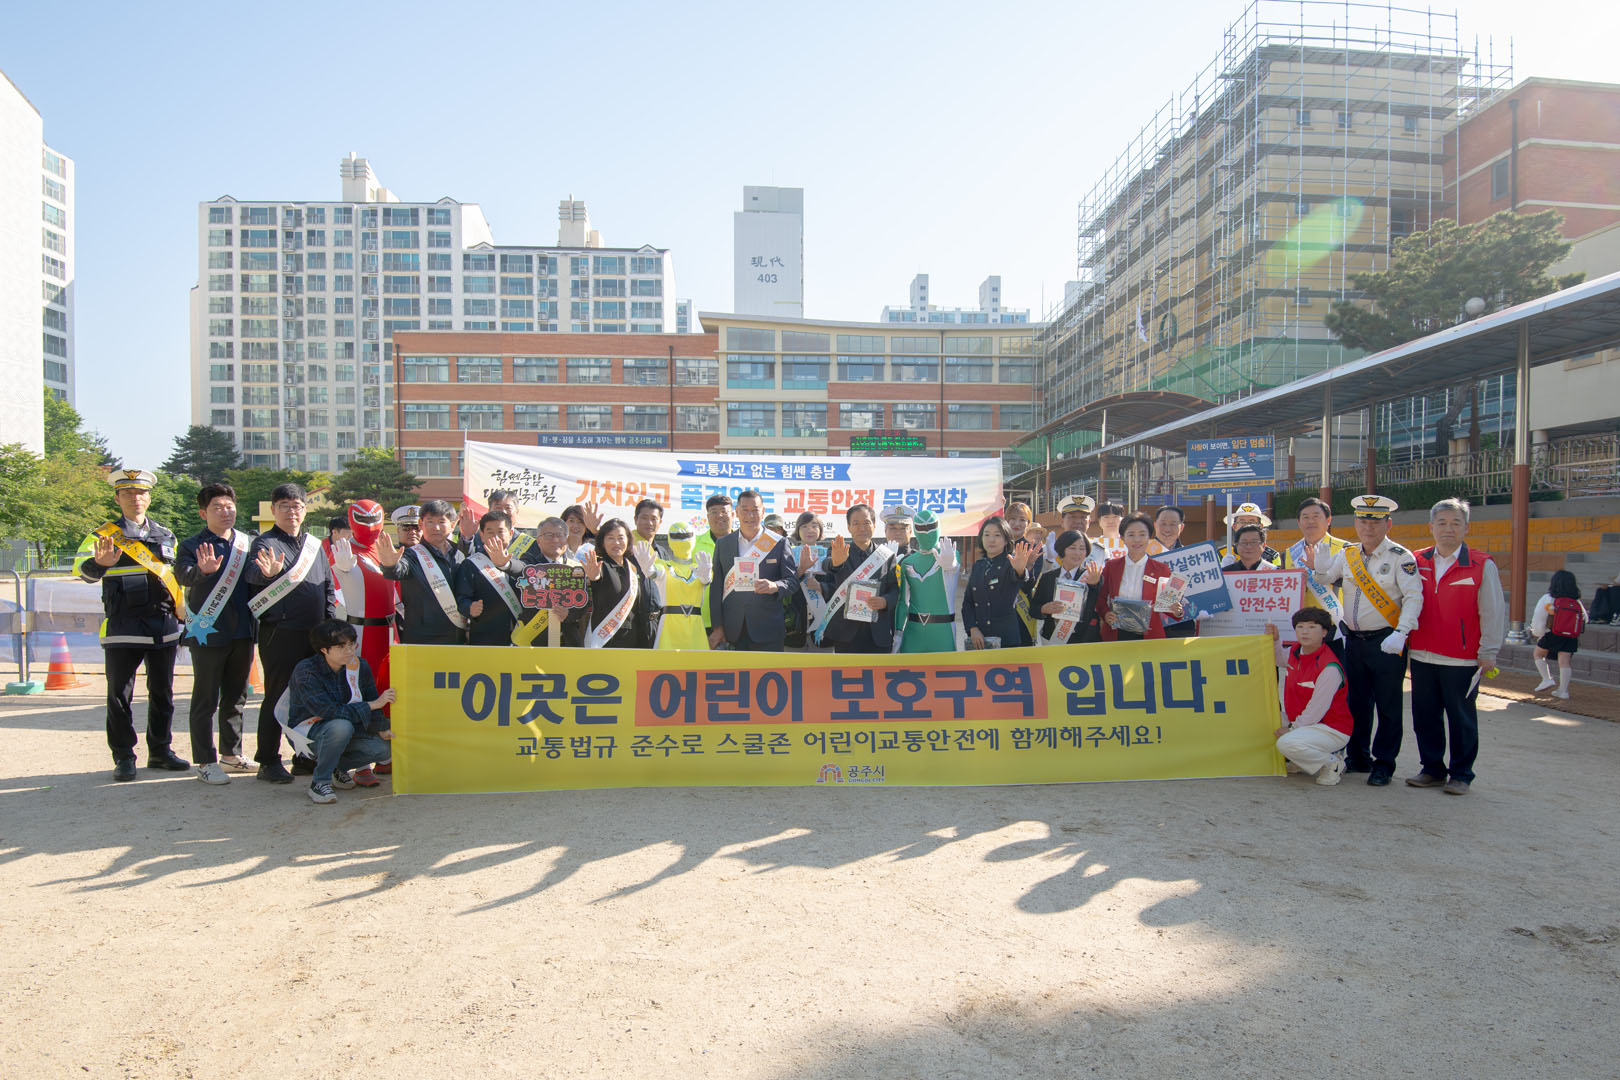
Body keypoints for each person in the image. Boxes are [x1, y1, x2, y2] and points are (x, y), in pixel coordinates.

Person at [1297, 494, 1423, 786]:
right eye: (1363, 521)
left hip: (1386, 640)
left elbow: (1414, 597)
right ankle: (1358, 756)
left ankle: (1384, 764)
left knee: (1388, 705)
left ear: (1388, 524)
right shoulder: (1349, 554)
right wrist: (1318, 567)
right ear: (1356, 523)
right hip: (1354, 640)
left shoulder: (1400, 557)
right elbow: (1327, 578)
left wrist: (1402, 632)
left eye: (1375, 522)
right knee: (1356, 702)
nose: (1368, 527)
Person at [73, 469, 188, 782]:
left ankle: (161, 750)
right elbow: (81, 572)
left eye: (140, 493)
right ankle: (124, 756)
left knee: (163, 693)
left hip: (162, 625)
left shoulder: (166, 535)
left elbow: (174, 578)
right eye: (127, 493)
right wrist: (98, 564)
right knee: (119, 696)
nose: (135, 499)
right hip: (123, 627)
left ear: (149, 498)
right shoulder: (102, 535)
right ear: (117, 499)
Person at [1406, 498, 1505, 795]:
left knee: (1461, 718)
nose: (1448, 529)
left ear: (1466, 528)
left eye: (1455, 523)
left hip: (1461, 659)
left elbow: (1492, 611)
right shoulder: (1415, 561)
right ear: (1431, 527)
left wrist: (1488, 651)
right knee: (1425, 716)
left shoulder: (1481, 564)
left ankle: (1461, 774)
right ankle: (1432, 769)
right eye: (1442, 523)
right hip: (1422, 654)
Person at [244, 483, 337, 784]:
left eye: (296, 505)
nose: (291, 511)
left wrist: (330, 625)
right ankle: (268, 760)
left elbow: (327, 587)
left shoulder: (314, 545)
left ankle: (304, 756)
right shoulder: (265, 542)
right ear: (273, 510)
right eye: (284, 505)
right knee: (277, 695)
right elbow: (253, 575)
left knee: (311, 697)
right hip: (280, 633)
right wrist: (266, 574)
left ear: (305, 510)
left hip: (315, 634)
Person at [174, 482, 257, 784]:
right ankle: (205, 761)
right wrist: (202, 571)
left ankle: (231, 754)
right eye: (217, 507)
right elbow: (183, 575)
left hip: (243, 631)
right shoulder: (191, 545)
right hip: (207, 632)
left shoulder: (248, 543)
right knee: (205, 699)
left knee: (236, 696)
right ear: (203, 513)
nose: (225, 512)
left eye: (229, 506)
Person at [286, 620, 394, 806]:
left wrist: (382, 728)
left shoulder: (359, 665)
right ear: (324, 650)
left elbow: (371, 697)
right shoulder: (306, 671)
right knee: (341, 726)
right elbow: (329, 711)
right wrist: (373, 705)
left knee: (383, 748)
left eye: (351, 644)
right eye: (340, 646)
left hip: (349, 726)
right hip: (309, 731)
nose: (349, 651)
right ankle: (320, 783)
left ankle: (336, 768)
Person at [1267, 609, 1352, 786]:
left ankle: (1332, 763)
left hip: (1330, 729)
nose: (1305, 632)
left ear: (1324, 632)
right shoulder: (1295, 652)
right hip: (1303, 722)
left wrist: (1291, 729)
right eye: (1300, 627)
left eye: (1312, 627)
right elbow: (1279, 659)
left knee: (1286, 743)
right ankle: (1299, 760)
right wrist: (1275, 640)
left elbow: (1316, 710)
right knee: (1265, 721)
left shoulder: (1329, 667)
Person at [708, 490, 794, 651]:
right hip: (733, 630)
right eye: (745, 510)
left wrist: (775, 586)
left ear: (763, 511)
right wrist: (717, 627)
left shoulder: (779, 542)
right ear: (736, 512)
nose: (750, 515)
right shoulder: (723, 544)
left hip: (768, 629)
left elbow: (792, 581)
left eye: (755, 510)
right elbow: (716, 588)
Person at [378, 499, 469, 645]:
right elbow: (398, 571)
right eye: (430, 521)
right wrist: (389, 564)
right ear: (421, 524)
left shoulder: (459, 555)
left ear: (452, 525)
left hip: (455, 636)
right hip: (421, 638)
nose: (436, 527)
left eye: (441, 522)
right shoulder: (412, 555)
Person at [816, 503, 901, 653]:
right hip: (846, 634)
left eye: (867, 523)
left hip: (878, 632)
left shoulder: (886, 556)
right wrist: (836, 562)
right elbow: (828, 565)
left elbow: (895, 589)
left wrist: (885, 601)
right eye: (856, 524)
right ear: (849, 527)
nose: (862, 528)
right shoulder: (840, 551)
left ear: (874, 525)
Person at [1096, 512, 1184, 641]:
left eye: (1142, 534)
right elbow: (1100, 597)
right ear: (1122, 538)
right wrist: (1106, 614)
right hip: (1116, 633)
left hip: (1148, 636)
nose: (1137, 540)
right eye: (1131, 535)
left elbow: (1167, 605)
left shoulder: (1161, 569)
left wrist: (1177, 611)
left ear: (1149, 537)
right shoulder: (1111, 566)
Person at [454, 511, 530, 646]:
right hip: (485, 639)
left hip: (518, 638)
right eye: (490, 532)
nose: (495, 537)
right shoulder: (471, 564)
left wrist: (504, 564)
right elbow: (461, 598)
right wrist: (470, 608)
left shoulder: (520, 564)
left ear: (510, 534)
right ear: (481, 535)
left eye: (500, 532)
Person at [514, 516, 590, 647]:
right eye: (549, 535)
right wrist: (505, 564)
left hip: (568, 640)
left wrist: (569, 614)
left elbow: (584, 601)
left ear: (566, 539)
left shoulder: (576, 569)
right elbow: (518, 569)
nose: (555, 540)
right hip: (534, 639)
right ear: (538, 541)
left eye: (559, 535)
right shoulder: (530, 563)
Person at [962, 516, 1035, 649]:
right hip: (980, 639)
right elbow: (968, 603)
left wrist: (1021, 570)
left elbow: (1023, 580)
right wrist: (972, 628)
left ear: (1006, 539)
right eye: (986, 535)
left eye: (997, 535)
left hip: (1006, 640)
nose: (991, 540)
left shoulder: (1011, 562)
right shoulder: (978, 565)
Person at [894, 509, 962, 652]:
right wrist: (898, 632)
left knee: (944, 667)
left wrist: (951, 565)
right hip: (913, 631)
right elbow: (903, 602)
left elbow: (953, 568)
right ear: (915, 529)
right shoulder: (908, 562)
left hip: (943, 630)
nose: (926, 532)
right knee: (909, 666)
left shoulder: (949, 554)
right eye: (921, 527)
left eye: (931, 526)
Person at [580, 518, 654, 648]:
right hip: (605, 639)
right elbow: (596, 577)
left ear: (628, 540)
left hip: (633, 638)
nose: (616, 542)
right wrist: (594, 577)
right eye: (610, 538)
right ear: (602, 542)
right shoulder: (600, 565)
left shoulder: (633, 567)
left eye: (620, 538)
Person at [1281, 496, 1350, 623]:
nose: (1311, 521)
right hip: (1302, 625)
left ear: (1328, 520)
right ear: (1299, 522)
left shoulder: (1346, 549)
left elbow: (1351, 583)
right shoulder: (1288, 554)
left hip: (1336, 624)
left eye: (1316, 516)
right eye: (1305, 517)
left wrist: (1319, 570)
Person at [1030, 530, 1104, 646]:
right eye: (1072, 548)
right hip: (1052, 639)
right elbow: (1033, 608)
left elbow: (1099, 606)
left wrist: (1095, 585)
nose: (1077, 553)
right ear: (1062, 549)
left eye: (1082, 549)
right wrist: (1043, 609)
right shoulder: (1047, 578)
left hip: (1083, 641)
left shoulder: (1091, 577)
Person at [652, 522, 711, 650]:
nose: (682, 540)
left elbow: (706, 580)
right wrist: (649, 570)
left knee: (698, 661)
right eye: (677, 536)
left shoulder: (702, 567)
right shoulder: (663, 565)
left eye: (687, 535)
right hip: (669, 625)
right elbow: (656, 572)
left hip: (695, 626)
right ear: (669, 540)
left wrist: (706, 576)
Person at [1532, 570, 1587, 701]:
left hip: (1552, 633)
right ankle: (1563, 691)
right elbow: (1585, 618)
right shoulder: (1576, 601)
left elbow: (1539, 618)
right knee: (1565, 662)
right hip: (1571, 636)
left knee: (1538, 654)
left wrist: (1537, 633)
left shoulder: (1548, 598)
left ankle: (1547, 679)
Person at [1149, 505, 1199, 639]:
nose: (1167, 529)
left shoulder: (1192, 558)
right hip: (1150, 624)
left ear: (1181, 527)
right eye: (1163, 523)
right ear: (1155, 525)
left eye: (1173, 524)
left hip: (1182, 625)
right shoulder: (1142, 555)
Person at [786, 511, 830, 649]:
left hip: (823, 632)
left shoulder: (830, 554)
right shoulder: (788, 553)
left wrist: (821, 587)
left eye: (814, 526)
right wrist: (801, 570)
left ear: (820, 530)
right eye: (804, 526)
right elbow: (784, 584)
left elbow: (837, 585)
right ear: (798, 530)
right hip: (794, 628)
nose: (810, 530)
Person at [696, 493, 734, 636]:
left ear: (733, 515)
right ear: (707, 516)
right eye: (714, 512)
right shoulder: (694, 544)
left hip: (737, 620)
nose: (719, 516)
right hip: (703, 620)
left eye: (724, 511)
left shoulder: (745, 544)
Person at [1218, 502, 1282, 565]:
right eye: (1242, 522)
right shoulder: (1221, 554)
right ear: (1234, 526)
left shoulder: (1271, 557)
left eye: (1252, 522)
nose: (1247, 525)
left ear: (1260, 527)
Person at [1042, 495, 1094, 566]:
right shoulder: (1047, 550)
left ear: (1089, 522)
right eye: (1073, 517)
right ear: (1062, 522)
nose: (1078, 521)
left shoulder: (1100, 551)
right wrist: (1049, 560)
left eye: (1083, 517)